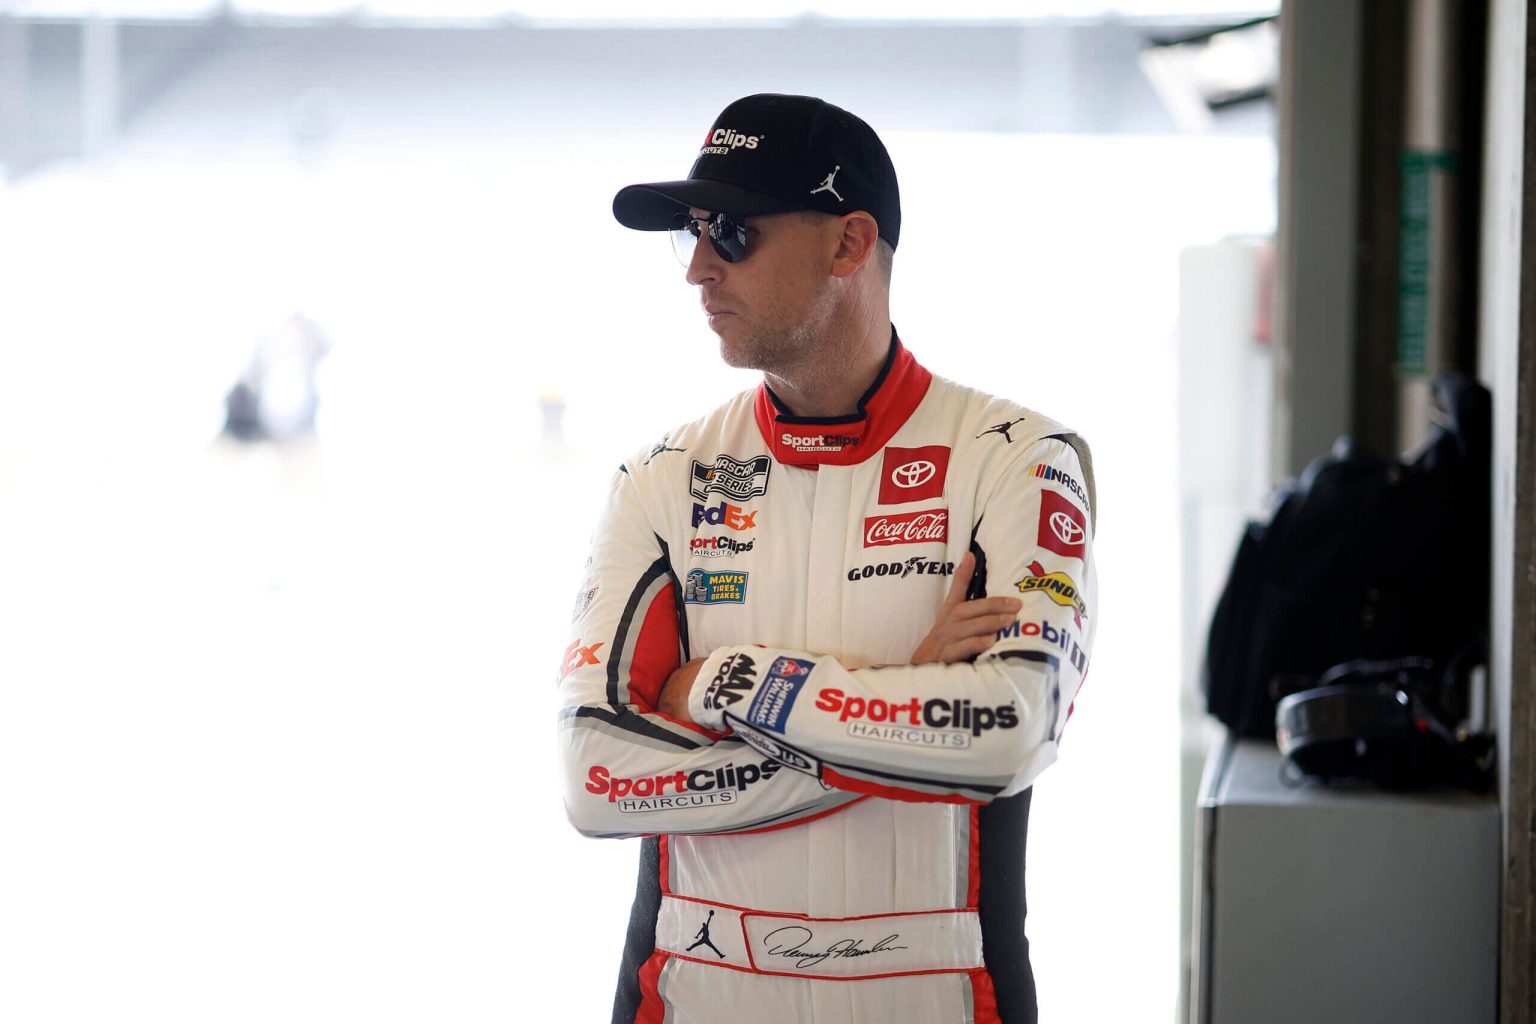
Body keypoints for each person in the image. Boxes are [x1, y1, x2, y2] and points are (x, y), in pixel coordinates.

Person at [557, 93, 1098, 1024]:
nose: (699, 268)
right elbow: (596, 781)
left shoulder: (1018, 458)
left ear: (849, 244)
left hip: (936, 997)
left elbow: (1012, 730)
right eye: (692, 233)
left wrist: (723, 686)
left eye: (733, 232)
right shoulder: (660, 478)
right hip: (689, 995)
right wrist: (905, 695)